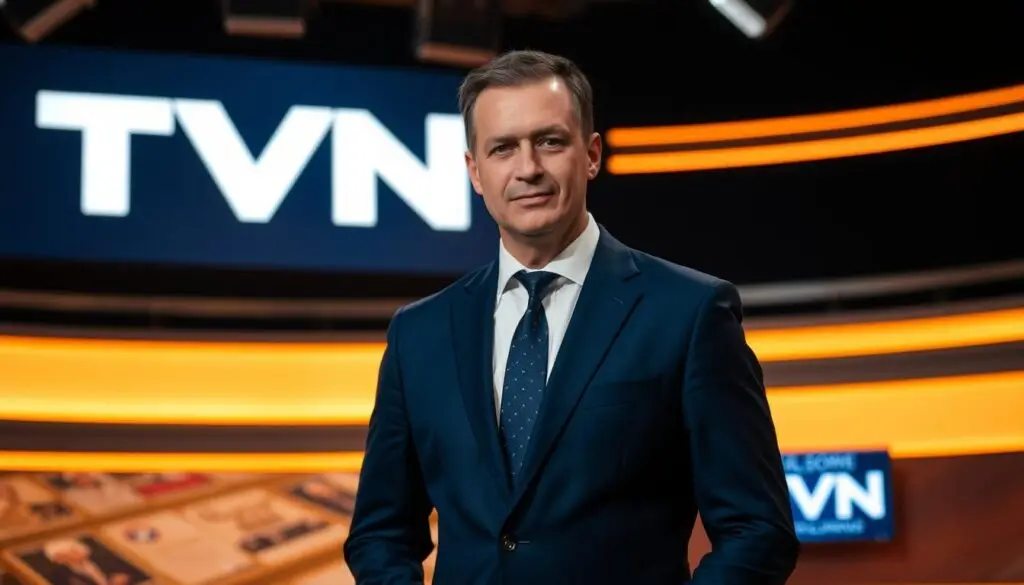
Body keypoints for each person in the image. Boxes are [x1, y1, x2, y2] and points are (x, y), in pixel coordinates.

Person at [344, 49, 799, 585]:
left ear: (591, 155)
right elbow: (380, 533)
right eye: (503, 148)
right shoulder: (418, 334)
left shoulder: (690, 312)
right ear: (475, 171)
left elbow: (757, 529)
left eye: (550, 142)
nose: (528, 168)